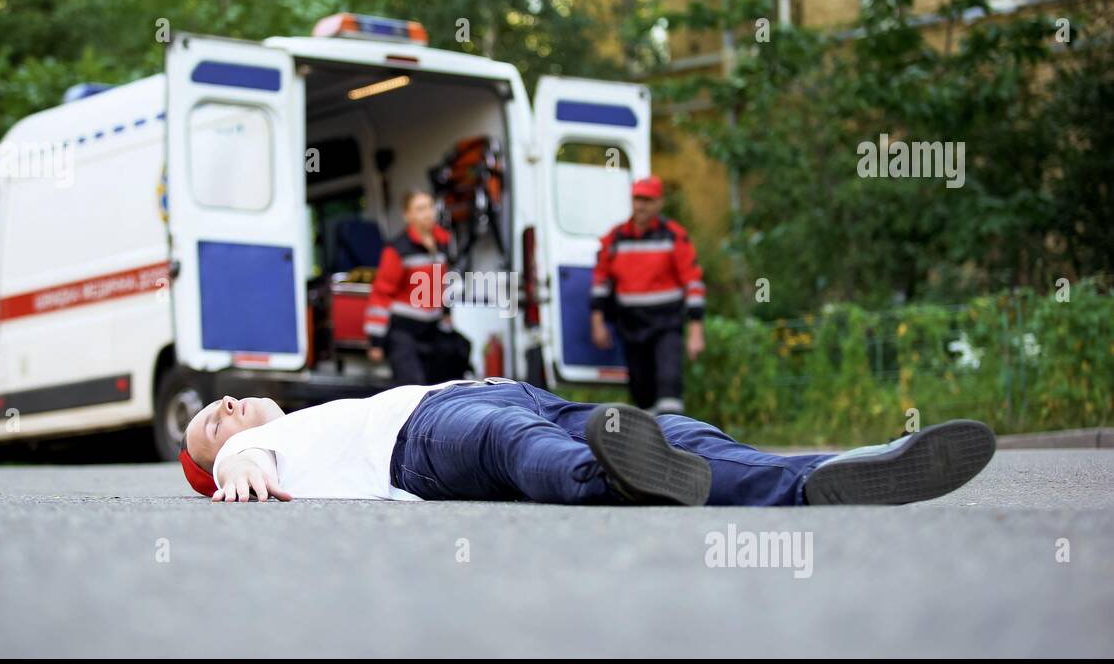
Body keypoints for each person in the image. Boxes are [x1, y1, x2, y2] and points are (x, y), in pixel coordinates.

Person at [177, 378, 997, 508]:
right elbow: (246, 466)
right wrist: (237, 467)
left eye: (216, 405)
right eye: (211, 423)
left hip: (501, 391)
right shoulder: (266, 449)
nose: (222, 406)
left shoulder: (298, 414)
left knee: (673, 430)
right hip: (425, 437)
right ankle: (611, 476)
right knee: (512, 443)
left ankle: (816, 480)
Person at [591, 175, 705, 415]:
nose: (640, 205)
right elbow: (600, 283)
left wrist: (696, 332)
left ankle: (674, 441)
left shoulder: (673, 236)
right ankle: (651, 444)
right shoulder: (615, 238)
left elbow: (693, 283)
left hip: (667, 324)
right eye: (636, 199)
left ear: (659, 203)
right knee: (641, 391)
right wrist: (598, 324)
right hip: (631, 327)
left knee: (668, 381)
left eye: (647, 199)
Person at [364, 189, 456, 385]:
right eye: (420, 209)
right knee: (412, 390)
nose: (428, 213)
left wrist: (447, 313)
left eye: (430, 207)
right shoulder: (397, 249)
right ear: (408, 215)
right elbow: (381, 295)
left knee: (444, 384)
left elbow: (442, 283)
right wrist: (376, 342)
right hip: (403, 331)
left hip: (432, 329)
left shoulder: (442, 242)